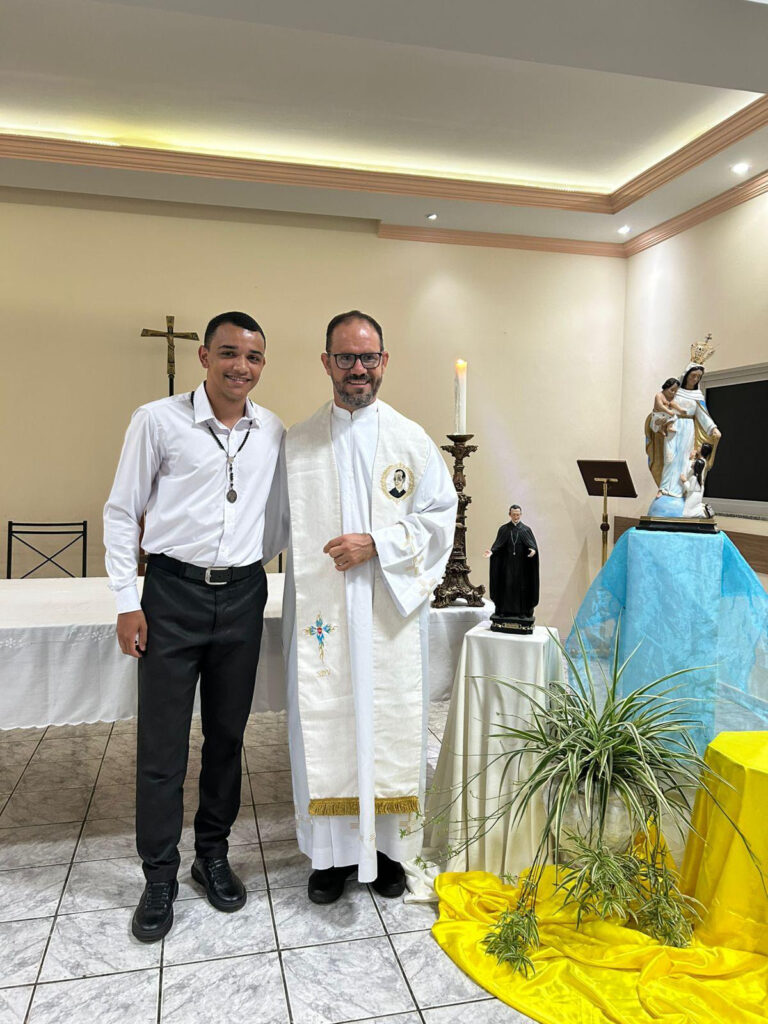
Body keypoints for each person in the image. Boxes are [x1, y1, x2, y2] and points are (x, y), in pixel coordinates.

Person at [104, 311, 284, 942]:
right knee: (162, 748)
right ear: (205, 356)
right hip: (171, 595)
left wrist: (247, 562)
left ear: (262, 364)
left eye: (253, 357)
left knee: (227, 739)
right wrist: (127, 600)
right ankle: (159, 875)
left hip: (242, 596)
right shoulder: (157, 421)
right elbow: (121, 512)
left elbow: (279, 516)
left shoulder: (272, 430)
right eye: (229, 353)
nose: (241, 366)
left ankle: (212, 855)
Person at [276, 310, 457, 904]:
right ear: (326, 362)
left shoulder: (412, 442)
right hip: (324, 618)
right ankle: (329, 858)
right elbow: (268, 524)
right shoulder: (297, 444)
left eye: (369, 357)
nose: (359, 368)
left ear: (385, 361)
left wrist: (377, 543)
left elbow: (440, 519)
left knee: (388, 723)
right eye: (346, 357)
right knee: (325, 721)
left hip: (387, 615)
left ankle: (389, 852)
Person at [646, 363, 721, 514]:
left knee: (684, 460)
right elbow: (663, 404)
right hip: (673, 426)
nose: (695, 379)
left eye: (698, 377)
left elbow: (703, 416)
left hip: (688, 429)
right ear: (687, 375)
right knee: (669, 458)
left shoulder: (698, 396)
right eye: (693, 375)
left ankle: (681, 491)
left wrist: (713, 429)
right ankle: (664, 489)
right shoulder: (676, 392)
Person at [484, 505, 539, 632]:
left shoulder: (525, 530)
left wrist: (533, 550)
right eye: (514, 514)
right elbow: (498, 545)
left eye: (518, 514)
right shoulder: (504, 529)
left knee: (521, 589)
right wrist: (492, 552)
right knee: (506, 588)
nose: (516, 517)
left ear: (521, 514)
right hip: (507, 566)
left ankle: (522, 612)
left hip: (522, 568)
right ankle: (503, 611)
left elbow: (532, 545)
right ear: (510, 514)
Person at [681, 442, 714, 518]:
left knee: (687, 512)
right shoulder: (702, 461)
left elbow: (690, 487)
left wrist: (690, 459)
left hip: (694, 488)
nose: (698, 447)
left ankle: (702, 511)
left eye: (700, 447)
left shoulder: (701, 462)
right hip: (696, 488)